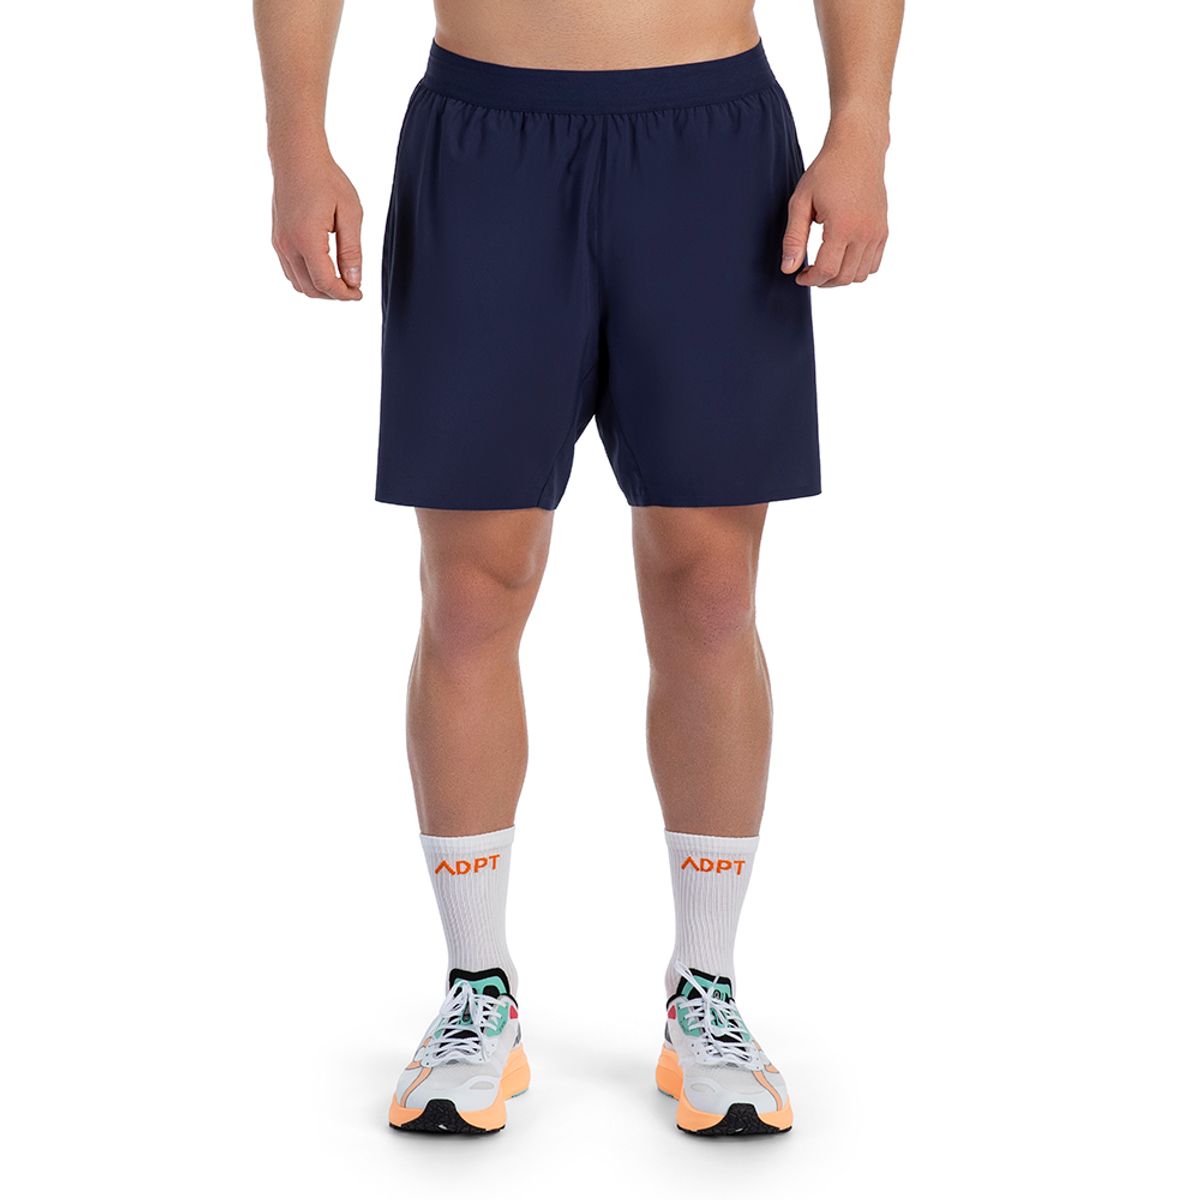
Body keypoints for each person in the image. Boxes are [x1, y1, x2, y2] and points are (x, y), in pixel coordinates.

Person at [254, 0, 902, 1137]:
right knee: (470, 589)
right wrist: (296, 144)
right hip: (485, 136)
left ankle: (706, 991)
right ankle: (476, 991)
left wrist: (862, 127)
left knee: (711, 586)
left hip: (709, 140)